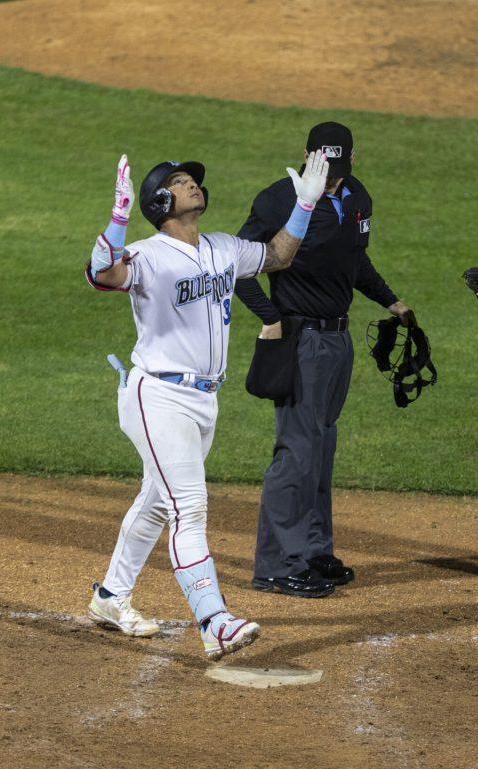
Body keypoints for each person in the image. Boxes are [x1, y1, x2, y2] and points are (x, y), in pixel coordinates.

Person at [83, 150, 330, 657]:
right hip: (159, 397)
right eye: (179, 182)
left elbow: (278, 256)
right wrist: (118, 218)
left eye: (193, 180)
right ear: (158, 200)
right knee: (188, 507)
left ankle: (111, 596)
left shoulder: (221, 249)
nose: (193, 185)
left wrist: (304, 205)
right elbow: (100, 274)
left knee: (156, 502)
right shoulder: (148, 255)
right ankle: (213, 621)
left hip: (202, 402)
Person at [234, 121, 415, 598]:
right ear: (307, 155)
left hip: (338, 341)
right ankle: (277, 563)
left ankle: (313, 550)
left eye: (337, 168)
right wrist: (270, 317)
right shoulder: (278, 199)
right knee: (296, 450)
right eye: (322, 166)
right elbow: (238, 265)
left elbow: (355, 260)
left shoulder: (357, 197)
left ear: (351, 161)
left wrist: (392, 302)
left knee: (321, 447)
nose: (329, 176)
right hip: (298, 338)